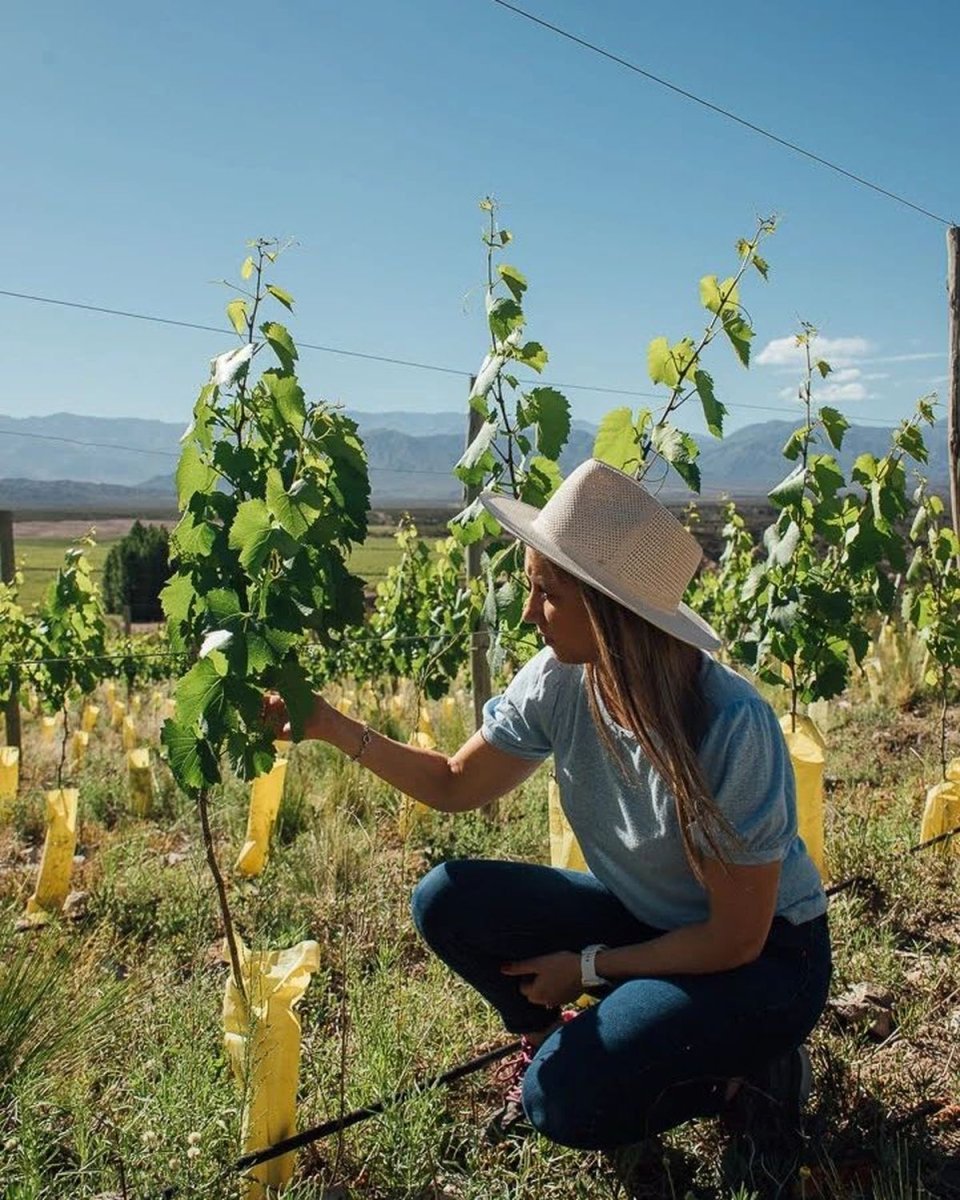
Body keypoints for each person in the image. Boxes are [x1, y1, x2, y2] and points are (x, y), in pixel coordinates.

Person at [266, 458, 831, 1168]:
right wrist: (326, 724)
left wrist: (589, 968)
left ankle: (748, 1079)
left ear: (611, 610)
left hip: (767, 962)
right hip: (656, 922)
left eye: (547, 592)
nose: (529, 611)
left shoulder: (729, 725)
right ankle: (558, 1039)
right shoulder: (562, 679)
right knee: (450, 899)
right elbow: (452, 783)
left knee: (561, 1099)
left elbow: (735, 939)